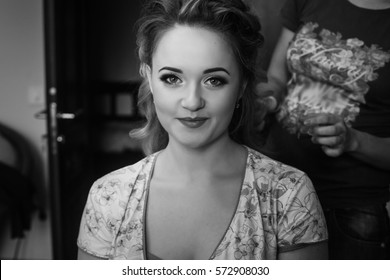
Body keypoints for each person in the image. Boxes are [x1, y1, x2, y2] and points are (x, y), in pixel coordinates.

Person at [77, 0, 327, 260]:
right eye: (172, 78)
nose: (193, 101)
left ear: (241, 85)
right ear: (148, 77)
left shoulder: (289, 195)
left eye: (214, 80)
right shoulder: (108, 196)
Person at [257, 0, 390, 259]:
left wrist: (352, 141)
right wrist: (266, 102)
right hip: (279, 186)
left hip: (350, 207)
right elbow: (276, 77)